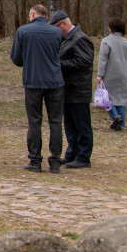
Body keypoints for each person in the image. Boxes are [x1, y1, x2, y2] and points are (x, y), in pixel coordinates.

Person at [10, 4, 64, 173]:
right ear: (46, 16)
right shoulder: (56, 32)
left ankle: (35, 159)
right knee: (55, 122)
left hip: (33, 81)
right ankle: (55, 161)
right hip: (54, 81)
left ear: (32, 14)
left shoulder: (23, 31)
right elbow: (59, 53)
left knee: (35, 121)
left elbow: (17, 59)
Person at [50, 10, 94, 169]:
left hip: (78, 89)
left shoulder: (80, 39)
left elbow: (85, 61)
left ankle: (83, 156)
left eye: (56, 27)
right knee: (70, 125)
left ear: (64, 24)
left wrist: (60, 65)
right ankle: (72, 153)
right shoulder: (67, 39)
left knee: (82, 125)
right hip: (67, 88)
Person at [97, 17, 127, 131]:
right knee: (122, 99)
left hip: (110, 73)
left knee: (108, 97)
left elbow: (103, 59)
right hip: (124, 73)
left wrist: (100, 74)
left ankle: (115, 116)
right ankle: (121, 124)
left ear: (110, 28)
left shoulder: (106, 41)